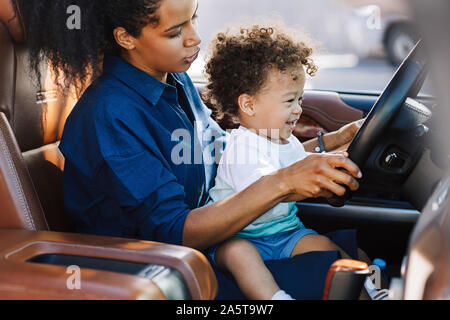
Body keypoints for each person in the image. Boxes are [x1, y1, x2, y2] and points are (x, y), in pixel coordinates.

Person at [19, 0, 367, 299]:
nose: (194, 38)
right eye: (174, 32)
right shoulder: (109, 114)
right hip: (162, 273)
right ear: (126, 37)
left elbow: (230, 158)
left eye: (193, 19)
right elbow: (176, 230)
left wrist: (328, 143)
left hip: (214, 244)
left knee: (354, 258)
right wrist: (284, 182)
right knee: (341, 277)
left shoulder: (176, 79)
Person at [204, 25, 370, 300]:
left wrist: (333, 150)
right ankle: (274, 297)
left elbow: (298, 164)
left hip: (284, 233)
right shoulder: (242, 146)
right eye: (289, 100)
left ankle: (372, 290)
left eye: (300, 98)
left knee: (325, 246)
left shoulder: (283, 138)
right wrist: (318, 178)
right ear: (249, 105)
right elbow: (267, 186)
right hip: (238, 237)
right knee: (239, 255)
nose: (298, 109)